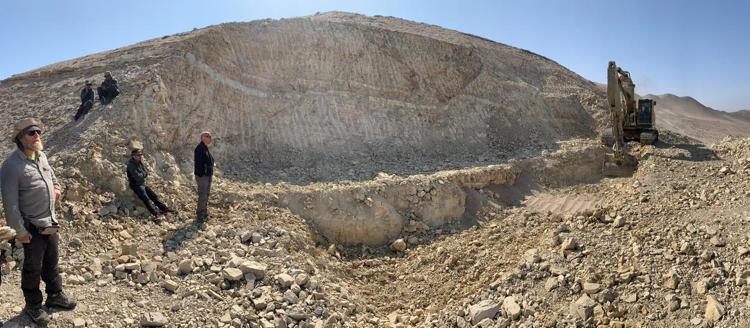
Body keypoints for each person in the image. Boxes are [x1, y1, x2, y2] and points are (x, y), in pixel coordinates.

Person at [0, 118, 76, 325]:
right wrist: (20, 231)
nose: (37, 136)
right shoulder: (11, 166)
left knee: (52, 260)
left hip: (49, 222)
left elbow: (52, 177)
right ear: (20, 138)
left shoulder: (40, 156)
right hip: (31, 226)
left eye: (38, 132)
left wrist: (57, 188)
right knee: (33, 267)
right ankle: (33, 305)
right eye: (32, 133)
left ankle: (55, 296)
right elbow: (10, 203)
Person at [126, 148, 174, 221]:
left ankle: (165, 209)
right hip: (136, 185)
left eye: (140, 155)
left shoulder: (139, 162)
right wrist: (142, 174)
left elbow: (146, 173)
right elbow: (138, 177)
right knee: (146, 199)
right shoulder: (131, 165)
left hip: (142, 183)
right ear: (134, 156)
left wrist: (142, 174)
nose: (140, 156)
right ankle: (156, 214)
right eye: (138, 155)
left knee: (154, 196)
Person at [194, 131, 214, 221]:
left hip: (207, 175)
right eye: (207, 136)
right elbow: (198, 163)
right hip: (203, 176)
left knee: (206, 194)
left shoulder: (205, 148)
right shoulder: (199, 148)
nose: (210, 137)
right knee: (203, 194)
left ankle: (204, 212)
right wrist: (202, 174)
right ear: (202, 138)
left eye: (210, 136)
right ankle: (200, 215)